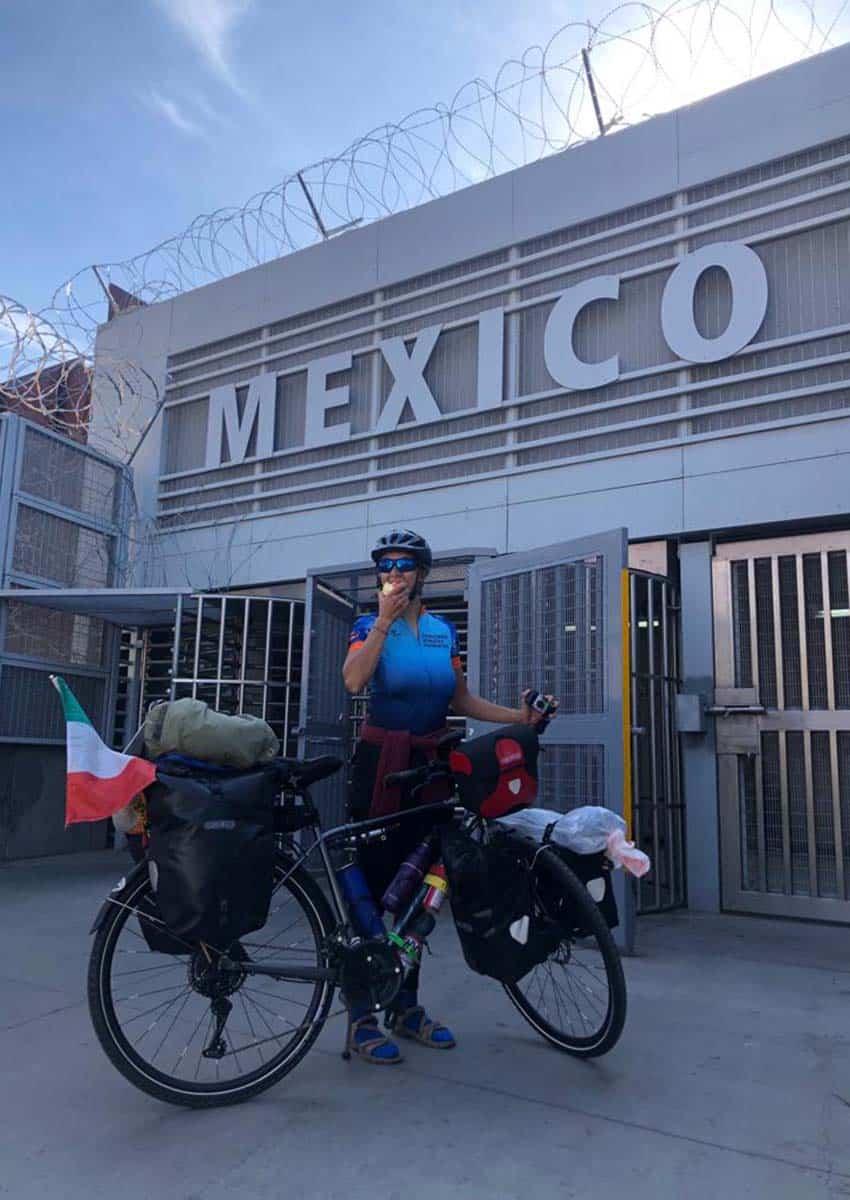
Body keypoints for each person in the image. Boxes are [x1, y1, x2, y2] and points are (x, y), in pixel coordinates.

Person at [342, 528, 556, 1064]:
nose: (393, 574)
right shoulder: (368, 625)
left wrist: (518, 718)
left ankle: (407, 1007)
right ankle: (361, 1017)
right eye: (385, 566)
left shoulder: (441, 632)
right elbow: (352, 681)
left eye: (403, 566)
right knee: (366, 887)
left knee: (421, 888)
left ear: (422, 574)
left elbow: (460, 697)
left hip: (430, 767)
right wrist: (385, 622)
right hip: (380, 767)